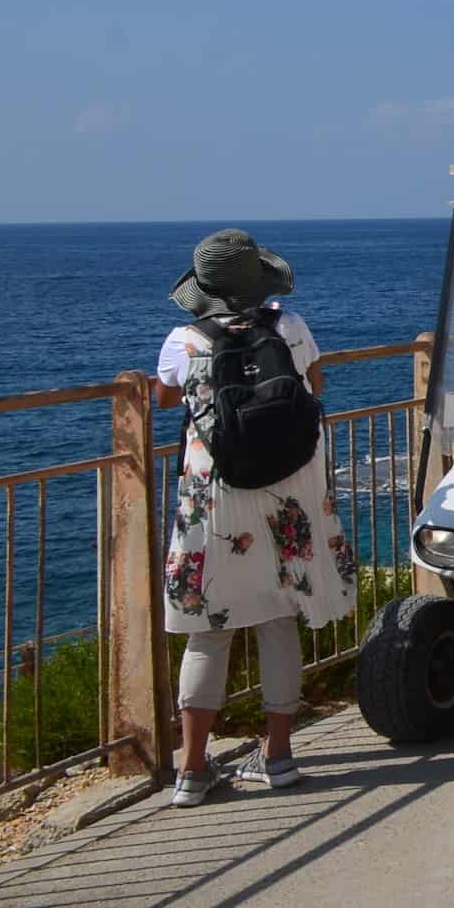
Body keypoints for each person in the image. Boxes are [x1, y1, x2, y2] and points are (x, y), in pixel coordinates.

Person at [153, 230, 357, 807]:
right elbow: (314, 387)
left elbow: (167, 399)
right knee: (278, 618)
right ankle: (280, 757)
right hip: (287, 491)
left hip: (216, 496)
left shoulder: (184, 339)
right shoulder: (290, 327)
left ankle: (192, 770)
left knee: (208, 633)